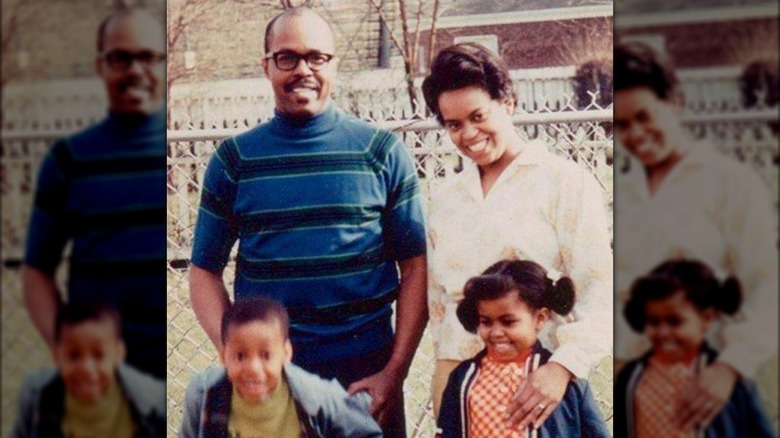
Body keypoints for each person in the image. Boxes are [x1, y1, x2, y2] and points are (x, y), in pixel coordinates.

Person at [189, 7, 427, 436]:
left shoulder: (382, 152)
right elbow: (204, 270)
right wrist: (241, 356)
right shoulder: (234, 160)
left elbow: (416, 268)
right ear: (266, 66)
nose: (303, 70)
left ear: (334, 64)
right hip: (271, 384)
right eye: (287, 57)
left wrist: (395, 371)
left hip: (365, 378)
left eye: (317, 57)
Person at [421, 42, 613, 428]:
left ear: (506, 101)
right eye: (454, 125)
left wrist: (562, 369)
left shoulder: (563, 183)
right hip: (462, 390)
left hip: (538, 390)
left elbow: (602, 291)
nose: (468, 134)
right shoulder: (444, 201)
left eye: (478, 116)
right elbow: (441, 312)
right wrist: (446, 394)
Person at [613, 41, 778, 430]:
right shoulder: (624, 195)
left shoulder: (731, 185)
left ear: (675, 102)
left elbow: (767, 290)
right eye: (621, 124)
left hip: (707, 388)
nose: (635, 134)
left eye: (644, 116)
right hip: (636, 388)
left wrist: (730, 367)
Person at [21, 6, 167, 379]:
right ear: (100, 65)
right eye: (121, 58)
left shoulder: (175, 153)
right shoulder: (67, 159)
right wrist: (68, 349)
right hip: (97, 382)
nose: (135, 70)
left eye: (148, 57)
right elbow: (37, 270)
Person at [437, 260, 610, 437]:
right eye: (486, 322)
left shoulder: (563, 381)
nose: (496, 332)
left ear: (540, 318)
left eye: (508, 322)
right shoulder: (464, 377)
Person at [179, 296, 382, 437]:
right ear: (224, 356)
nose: (253, 368)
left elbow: (365, 432)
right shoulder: (205, 394)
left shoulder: (316, 397)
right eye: (240, 356)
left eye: (266, 355)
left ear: (286, 354)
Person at [614, 260, 775, 437]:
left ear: (706, 318)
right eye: (653, 322)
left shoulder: (730, 381)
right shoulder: (631, 377)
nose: (663, 332)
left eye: (674, 321)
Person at [12, 301, 166, 438]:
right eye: (74, 356)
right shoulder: (38, 400)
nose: (86, 368)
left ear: (118, 354)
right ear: (57, 356)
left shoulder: (150, 402)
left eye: (98, 356)